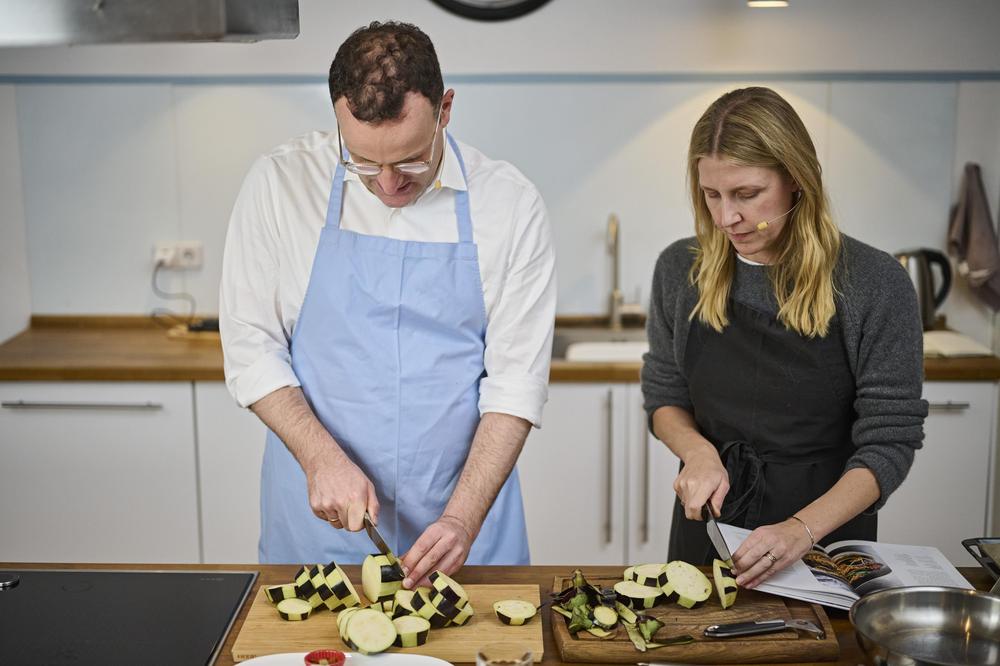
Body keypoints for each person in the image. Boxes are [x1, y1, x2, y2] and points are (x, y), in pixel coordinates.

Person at [219, 21, 556, 588]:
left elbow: (515, 384)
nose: (388, 185)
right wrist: (321, 458)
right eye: (363, 163)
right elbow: (251, 348)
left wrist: (461, 520)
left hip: (464, 524)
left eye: (412, 160)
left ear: (445, 110)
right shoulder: (280, 184)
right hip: (322, 523)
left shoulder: (510, 204)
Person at [641, 87, 927, 589]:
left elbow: (889, 443)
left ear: (796, 178)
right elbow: (665, 397)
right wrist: (698, 452)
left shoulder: (875, 283)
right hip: (707, 530)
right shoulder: (680, 270)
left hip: (825, 541)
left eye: (747, 194)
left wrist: (801, 531)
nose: (726, 218)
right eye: (712, 195)